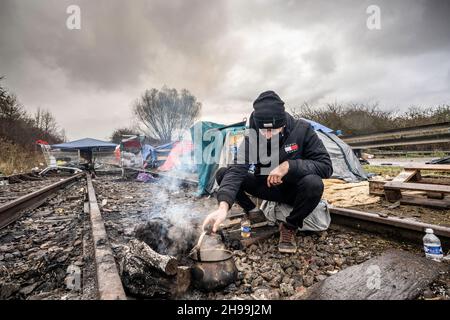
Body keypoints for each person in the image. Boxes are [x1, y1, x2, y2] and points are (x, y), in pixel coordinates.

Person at [202, 91, 333, 253]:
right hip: (267, 186)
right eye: (265, 131)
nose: (269, 135)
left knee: (314, 183)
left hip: (294, 190)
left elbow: (326, 167)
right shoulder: (253, 137)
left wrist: (289, 166)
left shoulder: (302, 130)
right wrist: (223, 207)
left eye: (274, 130)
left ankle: (289, 226)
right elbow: (236, 171)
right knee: (223, 173)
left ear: (283, 123)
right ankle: (254, 212)